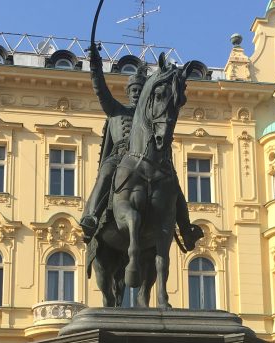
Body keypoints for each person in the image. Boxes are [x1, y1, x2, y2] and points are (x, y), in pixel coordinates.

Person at [79, 45, 201, 251]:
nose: (136, 93)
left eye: (139, 90)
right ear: (128, 92)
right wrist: (95, 65)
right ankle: (91, 216)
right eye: (133, 90)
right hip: (120, 157)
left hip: (152, 159)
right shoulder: (116, 110)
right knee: (106, 172)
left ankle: (185, 228)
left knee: (174, 184)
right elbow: (100, 90)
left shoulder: (152, 114)